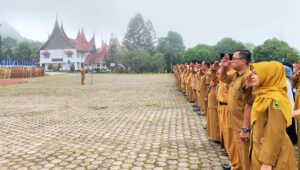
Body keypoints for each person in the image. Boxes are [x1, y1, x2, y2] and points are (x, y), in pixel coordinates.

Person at [246, 61, 296, 170]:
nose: (252, 76)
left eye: (256, 73)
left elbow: (275, 131)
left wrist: (268, 162)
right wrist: (249, 87)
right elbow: (249, 101)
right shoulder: (263, 94)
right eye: (253, 73)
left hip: (273, 155)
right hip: (262, 149)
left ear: (269, 75)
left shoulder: (276, 100)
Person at [220, 50, 254, 170]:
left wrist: (245, 128)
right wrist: (224, 67)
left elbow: (249, 104)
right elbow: (223, 78)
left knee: (245, 156)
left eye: (234, 59)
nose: (231, 61)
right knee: (237, 152)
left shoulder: (248, 77)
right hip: (233, 121)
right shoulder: (236, 74)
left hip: (241, 124)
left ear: (243, 61)